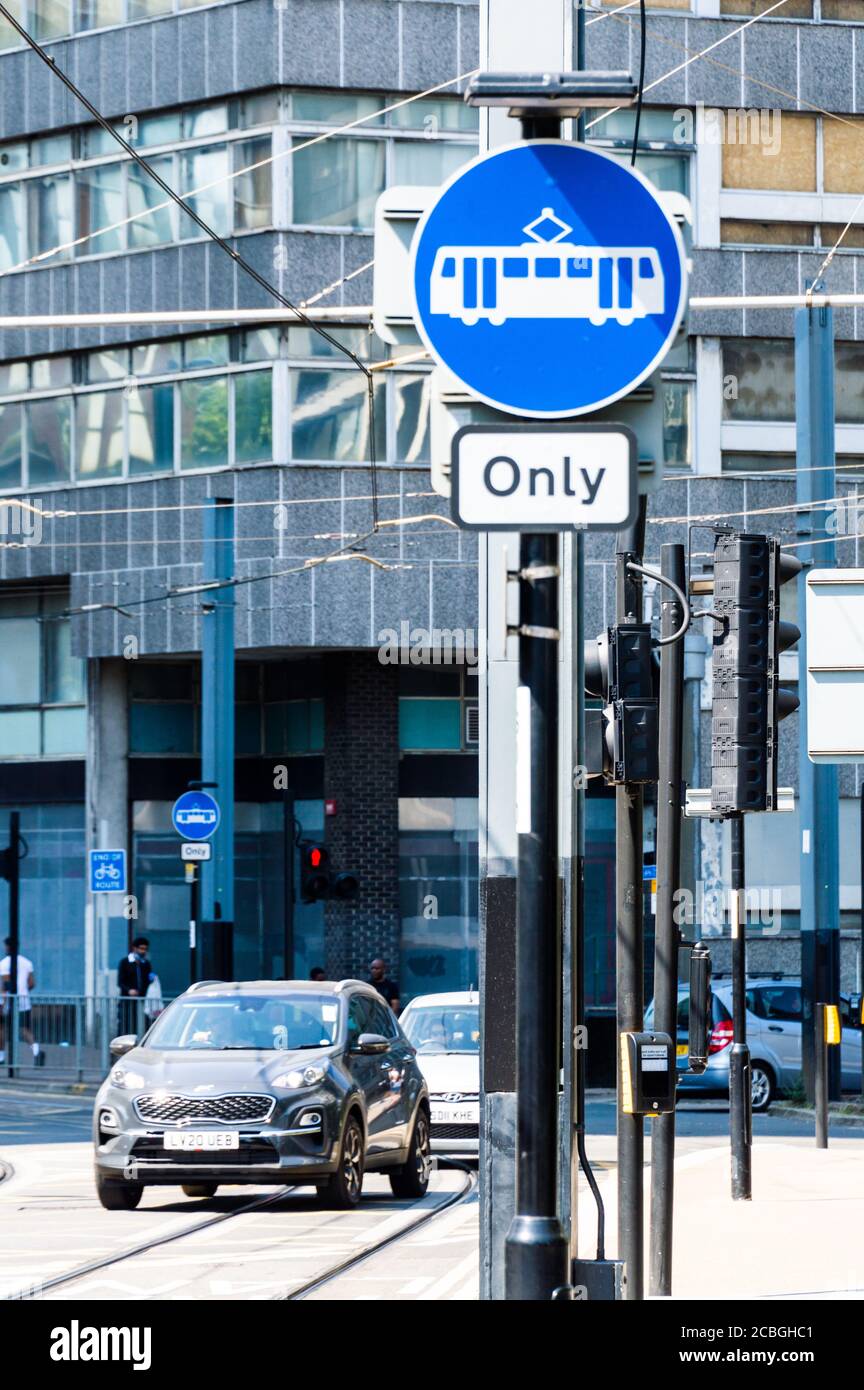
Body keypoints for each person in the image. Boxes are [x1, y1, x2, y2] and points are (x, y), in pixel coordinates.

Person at [0, 938, 43, 1066]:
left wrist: (2, 1003)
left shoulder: (4, 964)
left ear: (8, 947)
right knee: (25, 1029)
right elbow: (32, 983)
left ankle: (1, 1057)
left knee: (1, 1028)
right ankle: (36, 1050)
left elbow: (7, 986)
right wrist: (23, 991)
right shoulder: (27, 962)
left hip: (9, 1002)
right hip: (24, 1001)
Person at [117, 936, 155, 1035]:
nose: (143, 951)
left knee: (139, 1023)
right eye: (141, 949)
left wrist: (151, 980)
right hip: (127, 1000)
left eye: (145, 949)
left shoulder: (146, 964)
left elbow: (147, 981)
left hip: (141, 999)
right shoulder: (125, 962)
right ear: (135, 948)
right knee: (125, 1024)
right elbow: (120, 981)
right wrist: (129, 990)